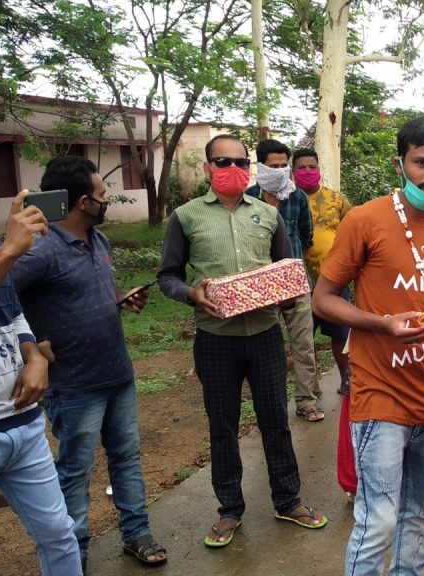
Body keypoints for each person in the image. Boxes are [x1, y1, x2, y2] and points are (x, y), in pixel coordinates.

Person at [311, 116, 424, 575]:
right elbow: (323, 300)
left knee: (420, 517)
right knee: (378, 520)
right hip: (379, 395)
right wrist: (381, 324)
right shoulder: (365, 220)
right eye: (422, 162)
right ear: (401, 164)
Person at [158, 134, 327, 549]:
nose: (231, 169)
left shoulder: (268, 216)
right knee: (223, 427)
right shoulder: (186, 216)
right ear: (206, 169)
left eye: (239, 161)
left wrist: (289, 294)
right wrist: (192, 294)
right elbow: (168, 276)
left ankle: (288, 500)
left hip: (265, 336)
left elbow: (289, 270)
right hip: (216, 341)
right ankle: (229, 509)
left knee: (276, 423)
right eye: (222, 162)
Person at [9, 156, 166, 570]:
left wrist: (120, 299)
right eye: (101, 196)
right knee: (75, 471)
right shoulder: (39, 252)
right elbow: (1, 300)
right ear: (82, 202)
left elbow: (93, 292)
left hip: (117, 372)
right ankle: (72, 552)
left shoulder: (100, 242)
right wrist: (32, 345)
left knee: (126, 458)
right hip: (74, 384)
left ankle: (137, 533)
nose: (106, 202)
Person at [0, 175, 81, 574]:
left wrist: (34, 355)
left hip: (22, 426)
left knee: (59, 535)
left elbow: (12, 313)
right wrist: (10, 251)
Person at [245, 139, 323, 422]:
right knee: (269, 348)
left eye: (282, 166)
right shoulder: (248, 199)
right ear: (261, 166)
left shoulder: (298, 198)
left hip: (296, 282)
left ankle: (306, 400)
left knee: (303, 343)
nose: (279, 171)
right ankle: (273, 401)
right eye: (272, 166)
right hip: (263, 287)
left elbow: (307, 234)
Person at [295, 148, 352, 394]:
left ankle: (346, 381)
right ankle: (309, 391)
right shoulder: (287, 201)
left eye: (312, 167)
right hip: (299, 284)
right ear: (292, 171)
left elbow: (354, 235)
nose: (308, 172)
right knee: (303, 341)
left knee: (340, 335)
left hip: (335, 281)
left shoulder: (337, 200)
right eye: (301, 168)